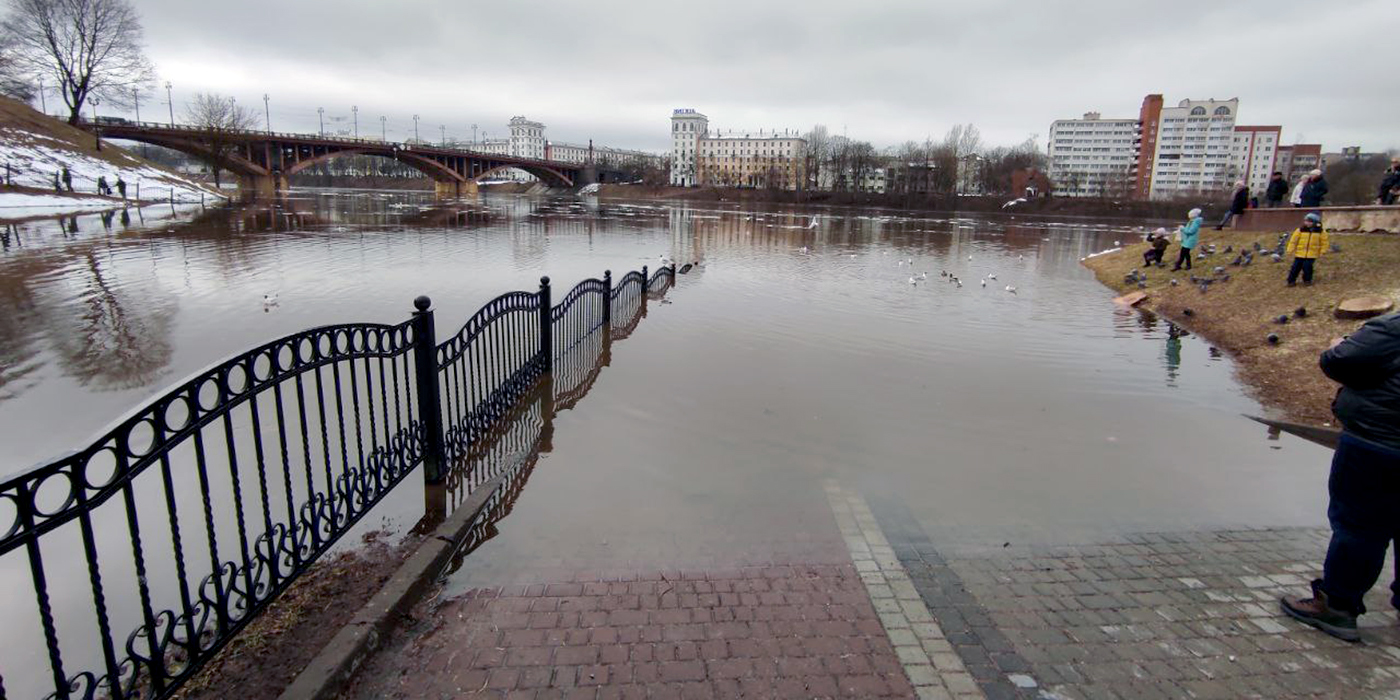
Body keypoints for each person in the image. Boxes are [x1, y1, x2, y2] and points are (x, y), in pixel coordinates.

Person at [1281, 311, 1400, 642]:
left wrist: (1338, 345)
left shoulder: (1393, 328)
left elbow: (1340, 362)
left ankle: (1338, 607)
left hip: (1380, 445)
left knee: (1360, 528)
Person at [1284, 212, 1329, 286]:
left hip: (1312, 254)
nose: (1307, 223)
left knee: (1307, 267)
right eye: (1306, 221)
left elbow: (1324, 242)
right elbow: (1293, 241)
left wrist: (1323, 251)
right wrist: (1290, 249)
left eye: (1310, 221)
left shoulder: (1320, 232)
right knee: (1295, 268)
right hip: (1300, 253)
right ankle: (1291, 281)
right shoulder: (1300, 230)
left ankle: (1307, 280)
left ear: (1315, 222)